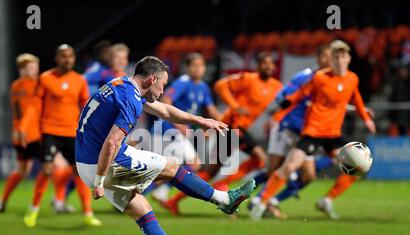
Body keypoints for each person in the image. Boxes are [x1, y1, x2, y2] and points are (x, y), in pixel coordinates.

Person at [75, 56, 256, 235]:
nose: (163, 89)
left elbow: (166, 111)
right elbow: (112, 143)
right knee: (171, 166)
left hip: (85, 163)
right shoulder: (131, 99)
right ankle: (225, 200)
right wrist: (100, 181)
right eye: (163, 84)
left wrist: (202, 121)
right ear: (152, 79)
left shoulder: (122, 84)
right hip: (103, 161)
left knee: (141, 209)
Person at [252, 40, 376, 219]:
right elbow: (301, 93)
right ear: (331, 60)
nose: (340, 60)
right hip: (313, 132)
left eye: (343, 56)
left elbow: (355, 99)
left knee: (359, 166)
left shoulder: (352, 78)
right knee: (289, 167)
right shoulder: (320, 78)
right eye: (336, 57)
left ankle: (328, 199)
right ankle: (261, 202)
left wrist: (366, 119)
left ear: (349, 59)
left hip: (333, 134)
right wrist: (283, 103)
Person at [161, 52, 282, 215]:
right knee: (260, 159)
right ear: (258, 65)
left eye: (270, 63)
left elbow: (284, 103)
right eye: (264, 63)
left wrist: (275, 118)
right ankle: (223, 185)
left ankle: (174, 200)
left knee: (210, 171)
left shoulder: (276, 86)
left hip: (239, 128)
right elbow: (220, 86)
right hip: (232, 126)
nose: (268, 66)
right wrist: (235, 106)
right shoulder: (247, 78)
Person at [24, 44, 101, 228]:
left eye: (70, 56)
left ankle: (88, 214)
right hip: (50, 131)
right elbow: (35, 106)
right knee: (47, 170)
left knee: (79, 173)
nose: (67, 60)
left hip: (72, 132)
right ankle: (33, 210)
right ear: (57, 58)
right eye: (64, 56)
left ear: (74, 59)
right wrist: (28, 128)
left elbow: (86, 106)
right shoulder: (46, 78)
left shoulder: (79, 80)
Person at [148, 53, 222, 204]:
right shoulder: (182, 82)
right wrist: (181, 127)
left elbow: (211, 109)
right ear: (187, 68)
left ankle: (141, 191)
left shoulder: (202, 86)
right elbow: (165, 100)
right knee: (193, 164)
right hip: (168, 130)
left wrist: (224, 123)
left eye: (201, 65)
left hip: (178, 133)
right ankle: (156, 191)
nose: (198, 69)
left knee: (165, 170)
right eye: (194, 65)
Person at [0, 53, 41, 213]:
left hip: (20, 133)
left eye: (36, 68)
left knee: (24, 171)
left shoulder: (15, 86)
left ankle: (2, 201)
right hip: (33, 134)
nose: (35, 71)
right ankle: (57, 201)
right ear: (22, 69)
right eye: (31, 68)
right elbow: (31, 110)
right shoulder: (33, 85)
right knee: (54, 166)